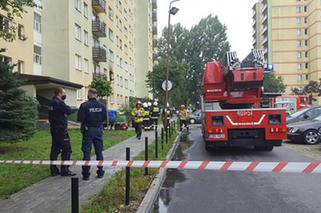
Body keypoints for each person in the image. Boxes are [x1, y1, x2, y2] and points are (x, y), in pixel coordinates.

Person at [77, 88, 107, 181]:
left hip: (88, 130)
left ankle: (86, 174)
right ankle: (100, 172)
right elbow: (104, 118)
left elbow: (80, 119)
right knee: (99, 152)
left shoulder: (84, 105)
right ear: (96, 94)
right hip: (98, 130)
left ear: (89, 94)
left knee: (87, 152)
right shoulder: (102, 106)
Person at [48, 88, 75, 176]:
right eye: (64, 93)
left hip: (53, 128)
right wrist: (65, 113)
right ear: (59, 93)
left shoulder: (51, 102)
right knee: (67, 149)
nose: (65, 95)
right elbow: (69, 110)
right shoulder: (59, 103)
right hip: (61, 129)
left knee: (55, 149)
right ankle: (65, 170)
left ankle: (53, 170)